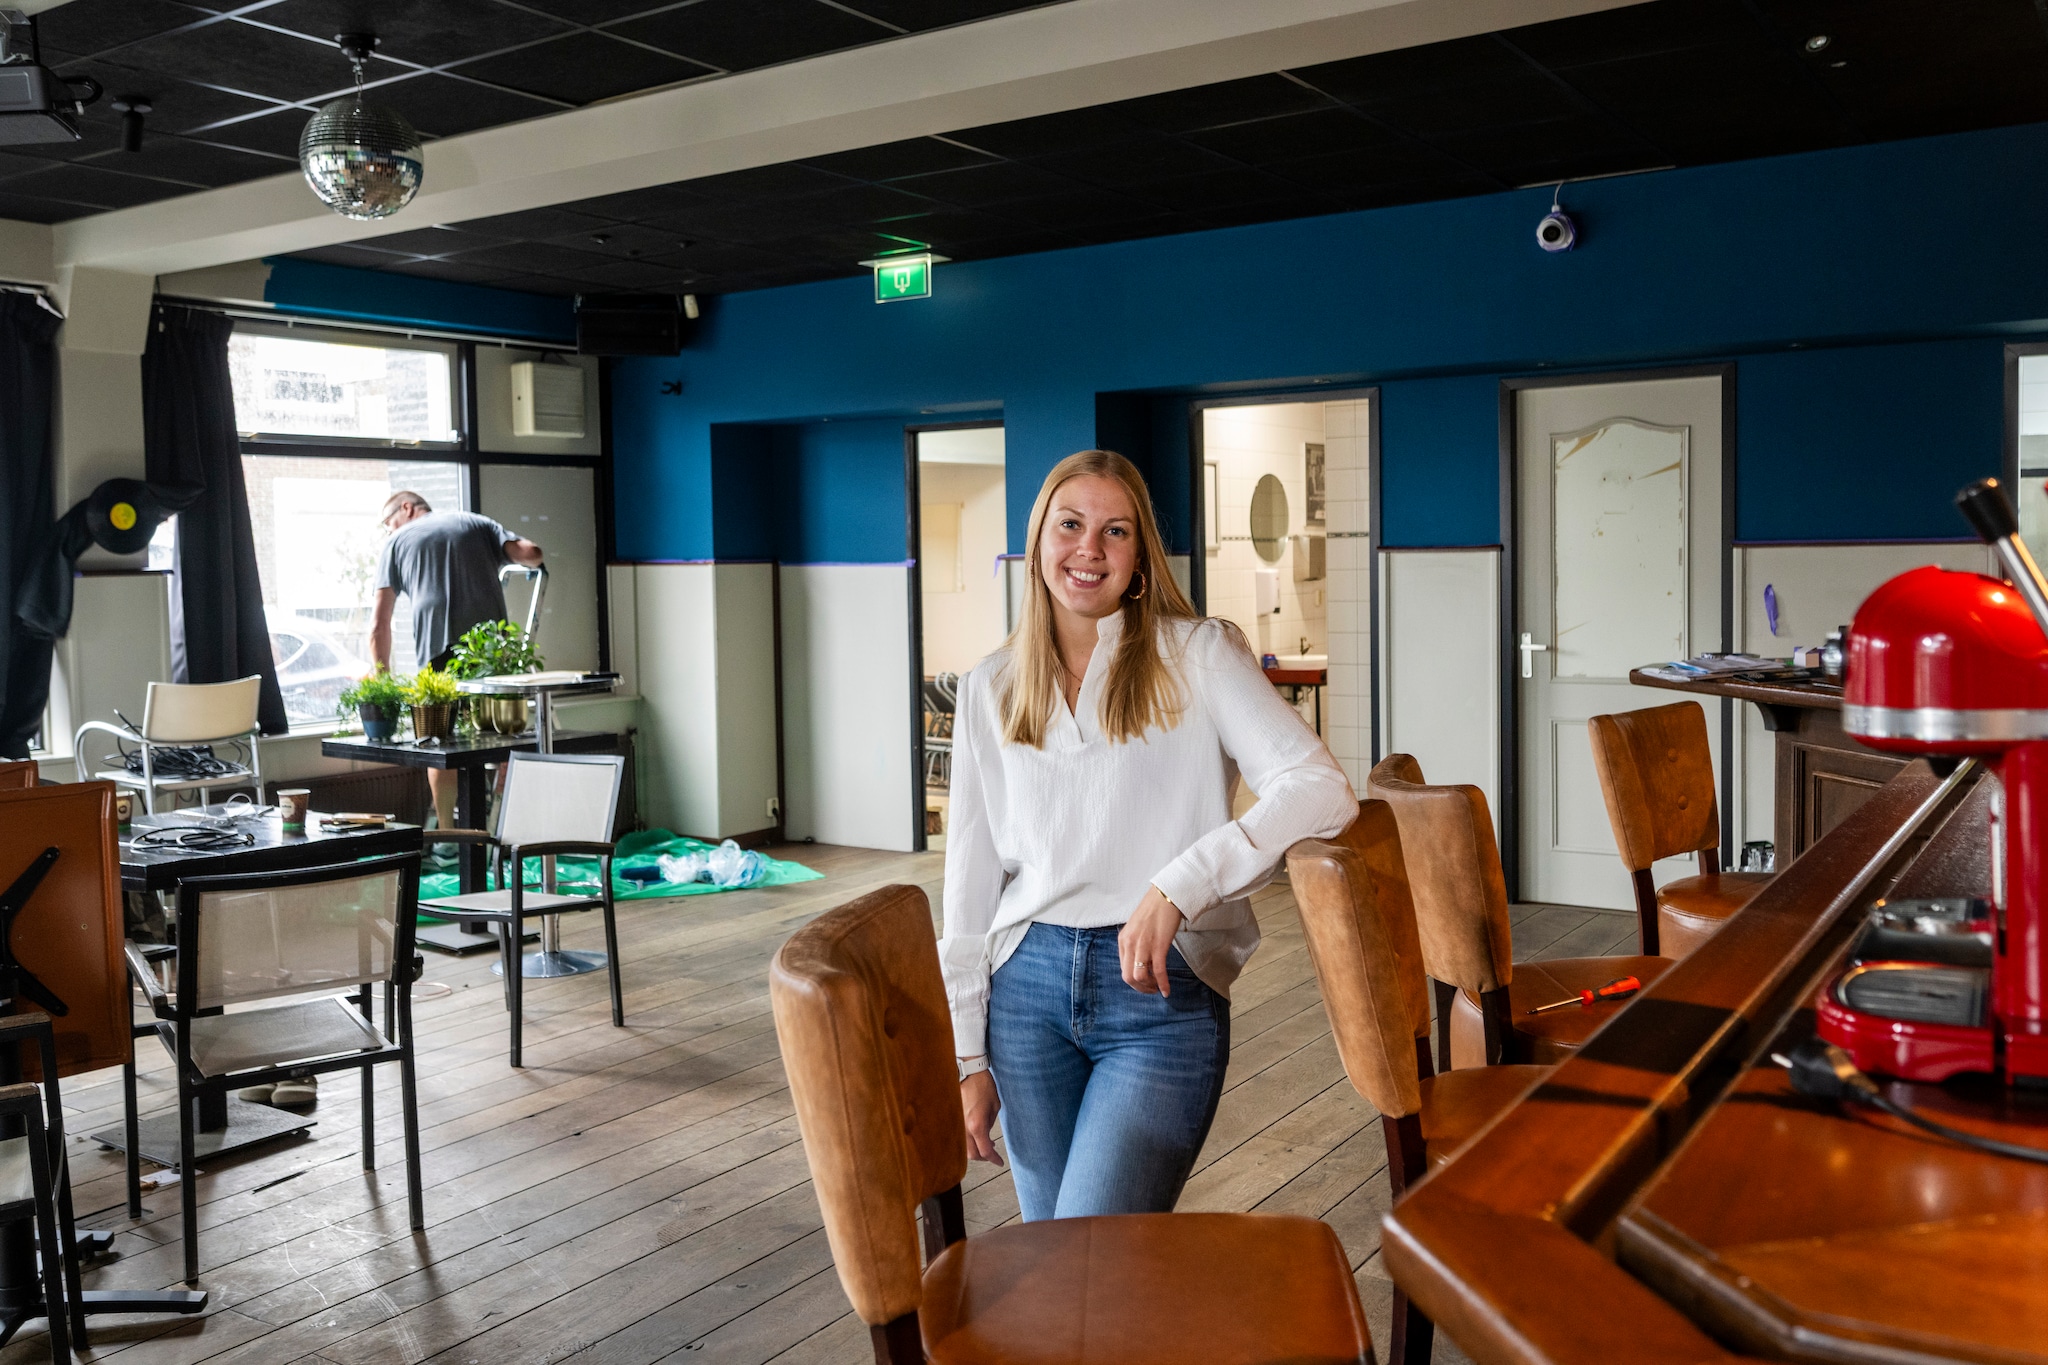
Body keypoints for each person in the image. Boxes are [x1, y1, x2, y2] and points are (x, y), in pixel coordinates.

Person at [940, 449, 1355, 1221]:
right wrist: (968, 1056)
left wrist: (1181, 882)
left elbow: (1321, 789)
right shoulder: (987, 686)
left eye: (1114, 531)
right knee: (1058, 1261)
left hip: (1158, 996)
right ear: (1037, 543)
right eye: (1070, 525)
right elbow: (968, 882)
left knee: (1096, 1244)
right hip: (1022, 996)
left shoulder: (1199, 654)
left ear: (1139, 559)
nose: (1088, 548)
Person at [370, 492, 544, 831]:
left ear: (406, 508)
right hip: (492, 657)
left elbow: (379, 623)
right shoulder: (475, 522)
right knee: (505, 738)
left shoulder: (396, 543)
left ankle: (448, 834)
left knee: (438, 744)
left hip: (438, 657)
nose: (391, 531)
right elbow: (531, 554)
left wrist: (382, 680)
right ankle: (505, 830)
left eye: (390, 524)